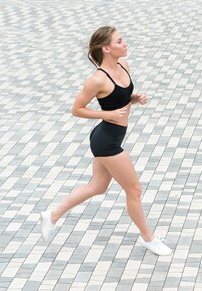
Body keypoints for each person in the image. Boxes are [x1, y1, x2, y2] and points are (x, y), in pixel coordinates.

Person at [39, 26, 171, 256]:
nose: (125, 43)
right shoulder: (96, 80)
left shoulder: (124, 66)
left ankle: (51, 216)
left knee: (97, 187)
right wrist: (106, 115)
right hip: (106, 142)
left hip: (108, 137)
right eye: (120, 41)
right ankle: (148, 238)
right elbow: (76, 109)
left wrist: (134, 99)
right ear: (107, 48)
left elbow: (118, 98)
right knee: (134, 190)